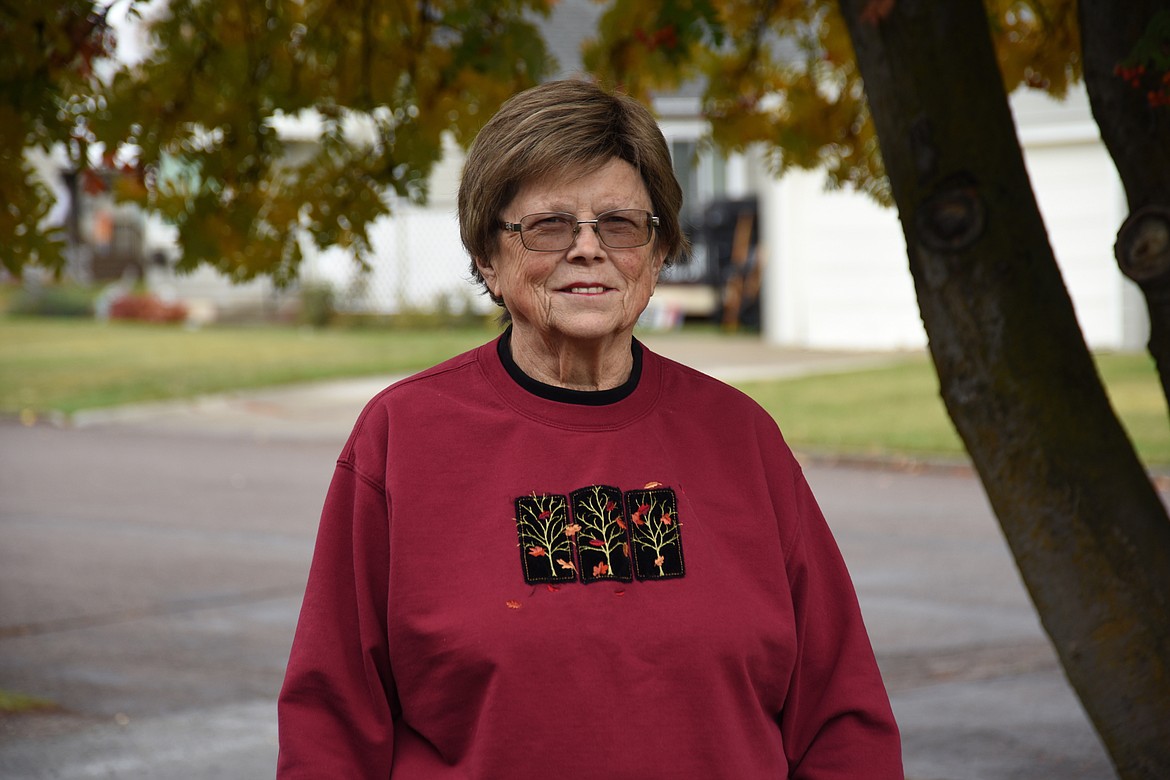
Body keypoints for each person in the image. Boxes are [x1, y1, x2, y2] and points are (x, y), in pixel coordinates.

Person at [277, 78, 902, 779]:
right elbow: (330, 726)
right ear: (488, 254)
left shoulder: (741, 440)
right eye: (548, 226)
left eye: (620, 225)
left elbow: (843, 721)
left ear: (658, 254)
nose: (587, 250)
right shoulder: (404, 439)